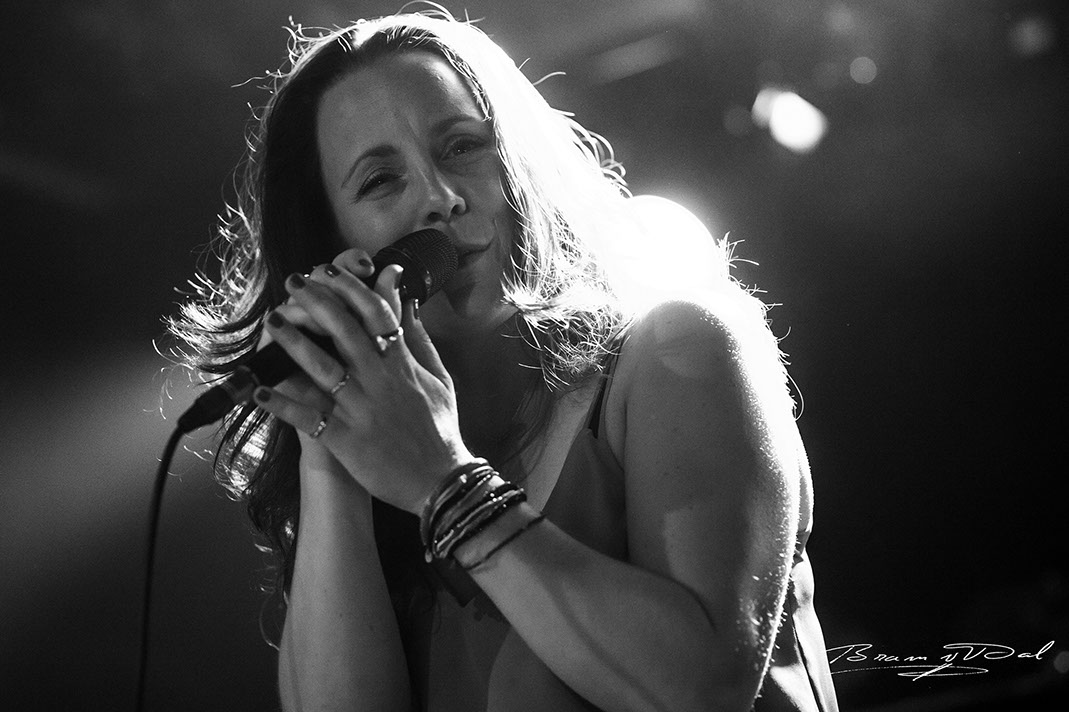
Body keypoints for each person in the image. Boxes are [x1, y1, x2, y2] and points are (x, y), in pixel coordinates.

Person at [170, 8, 838, 712]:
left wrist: (445, 484)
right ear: (332, 244)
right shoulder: (375, 461)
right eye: (381, 181)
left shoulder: (680, 347)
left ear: (518, 163)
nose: (439, 197)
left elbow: (703, 691)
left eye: (462, 146)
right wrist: (329, 437)